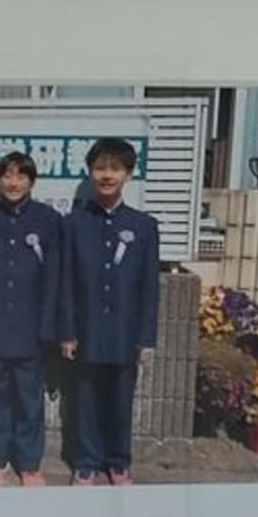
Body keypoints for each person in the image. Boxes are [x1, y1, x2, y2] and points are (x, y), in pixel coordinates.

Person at [59, 137, 160, 485]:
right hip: (85, 330)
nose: (106, 175)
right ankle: (86, 461)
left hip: (124, 332)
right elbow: (65, 282)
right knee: (84, 400)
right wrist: (67, 332)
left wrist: (146, 338)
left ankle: (119, 461)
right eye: (100, 168)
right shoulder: (73, 223)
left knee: (120, 401)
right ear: (89, 173)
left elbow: (149, 286)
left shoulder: (144, 226)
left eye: (115, 168)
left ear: (128, 175)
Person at [0, 150, 63, 487]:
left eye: (21, 176)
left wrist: (48, 327)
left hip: (32, 331)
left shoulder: (49, 219)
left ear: (32, 181)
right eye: (7, 175)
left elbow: (54, 278)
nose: (13, 182)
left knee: (30, 400)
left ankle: (30, 464)